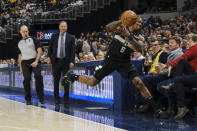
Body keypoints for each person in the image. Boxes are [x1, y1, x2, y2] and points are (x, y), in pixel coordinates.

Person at [63, 18, 155, 111]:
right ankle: (73, 76)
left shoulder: (139, 37)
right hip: (110, 60)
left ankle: (154, 106)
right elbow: (108, 27)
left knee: (138, 82)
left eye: (141, 23)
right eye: (138, 21)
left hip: (124, 63)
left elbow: (139, 48)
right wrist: (122, 20)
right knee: (92, 82)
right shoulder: (121, 28)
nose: (140, 24)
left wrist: (128, 36)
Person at [47, 21, 75, 104]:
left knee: (66, 81)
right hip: (56, 62)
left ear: (66, 27)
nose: (63, 28)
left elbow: (73, 51)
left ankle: (66, 99)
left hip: (66, 62)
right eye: (62, 26)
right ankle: (56, 98)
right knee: (56, 81)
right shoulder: (54, 36)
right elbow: (50, 48)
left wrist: (72, 61)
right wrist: (49, 58)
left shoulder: (71, 37)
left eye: (65, 26)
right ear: (59, 27)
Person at [17, 25, 44, 105]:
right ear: (20, 32)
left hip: (34, 60)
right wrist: (21, 68)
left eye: (26, 31)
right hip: (25, 62)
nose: (25, 33)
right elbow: (19, 56)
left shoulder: (34, 39)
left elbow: (40, 51)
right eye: (23, 31)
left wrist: (36, 61)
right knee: (26, 79)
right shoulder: (19, 43)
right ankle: (28, 99)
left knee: (38, 76)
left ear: (28, 31)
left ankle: (41, 98)